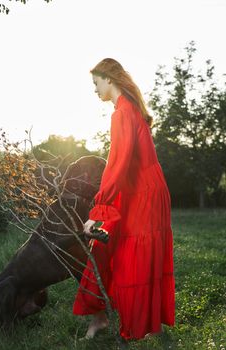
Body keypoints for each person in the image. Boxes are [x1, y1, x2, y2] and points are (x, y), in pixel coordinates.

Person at [73, 58, 175, 340]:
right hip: (141, 189)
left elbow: (117, 165)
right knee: (109, 248)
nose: (94, 90)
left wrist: (98, 210)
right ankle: (102, 318)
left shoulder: (123, 113)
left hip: (142, 193)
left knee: (131, 257)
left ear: (108, 79)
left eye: (95, 83)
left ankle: (134, 323)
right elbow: (119, 164)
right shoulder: (127, 109)